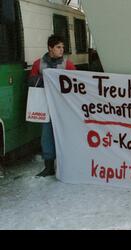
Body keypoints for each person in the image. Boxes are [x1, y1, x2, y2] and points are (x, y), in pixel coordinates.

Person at [28, 35, 76, 177]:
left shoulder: (68, 64)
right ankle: (49, 167)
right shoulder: (38, 64)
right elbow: (31, 82)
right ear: (50, 48)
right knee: (47, 136)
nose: (62, 50)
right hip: (47, 106)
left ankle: (67, 165)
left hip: (63, 107)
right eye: (58, 47)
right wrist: (46, 79)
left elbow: (76, 84)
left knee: (66, 135)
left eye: (62, 47)